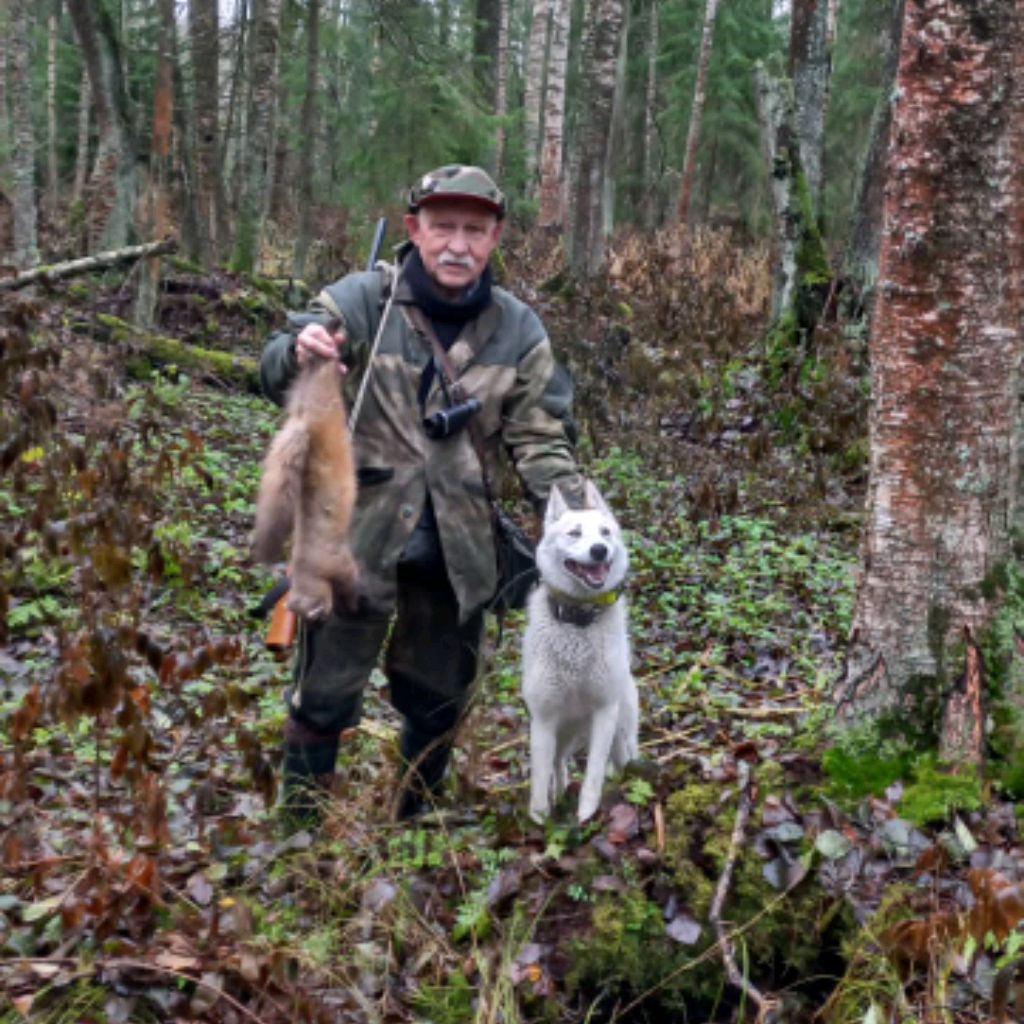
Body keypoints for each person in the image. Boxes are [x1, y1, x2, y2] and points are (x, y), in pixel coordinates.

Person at [259, 164, 585, 822]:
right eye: (442, 228)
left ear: (495, 237)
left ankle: (418, 806)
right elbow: (275, 366)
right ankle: (299, 825)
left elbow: (542, 438)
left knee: (439, 692)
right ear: (415, 230)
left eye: (474, 230)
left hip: (459, 546)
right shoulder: (359, 303)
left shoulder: (519, 331)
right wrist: (298, 352)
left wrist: (578, 515)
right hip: (355, 536)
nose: (457, 245)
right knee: (324, 690)